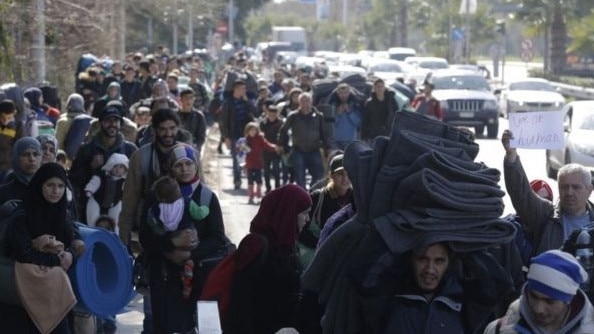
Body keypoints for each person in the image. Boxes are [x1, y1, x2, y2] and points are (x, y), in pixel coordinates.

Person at [140, 144, 231, 333]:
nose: (184, 169)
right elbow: (145, 237)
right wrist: (172, 245)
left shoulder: (206, 197)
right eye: (178, 165)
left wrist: (189, 253)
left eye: (189, 163)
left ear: (196, 165)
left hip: (197, 278)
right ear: (170, 168)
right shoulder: (156, 195)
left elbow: (218, 238)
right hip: (163, 276)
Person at [0, 162, 85, 334]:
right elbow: (22, 253)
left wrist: (70, 255)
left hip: (54, 295)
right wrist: (56, 260)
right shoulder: (22, 215)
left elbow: (76, 242)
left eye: (61, 186)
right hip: (22, 296)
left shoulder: (63, 215)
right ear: (40, 185)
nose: (56, 191)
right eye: (50, 185)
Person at [223, 184, 312, 334]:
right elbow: (241, 302)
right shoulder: (256, 245)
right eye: (304, 213)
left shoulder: (289, 245)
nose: (307, 219)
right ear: (288, 213)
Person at [502, 129, 594, 256]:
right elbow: (521, 194)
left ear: (589, 190)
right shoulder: (546, 215)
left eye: (576, 187)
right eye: (564, 187)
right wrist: (511, 156)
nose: (569, 192)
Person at [484, 250, 594, 333]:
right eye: (533, 296)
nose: (538, 309)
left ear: (568, 300)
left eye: (549, 301)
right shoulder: (501, 328)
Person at [69, 102, 137, 223]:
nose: (112, 125)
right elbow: (73, 179)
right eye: (108, 121)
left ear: (120, 124)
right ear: (101, 123)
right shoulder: (87, 149)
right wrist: (90, 168)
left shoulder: (129, 150)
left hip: (118, 208)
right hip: (91, 206)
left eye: (115, 121)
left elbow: (136, 180)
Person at [298, 154, 354, 266]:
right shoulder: (317, 197)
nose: (345, 178)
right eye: (340, 174)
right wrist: (323, 244)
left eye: (349, 174)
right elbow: (301, 229)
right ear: (331, 175)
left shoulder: (357, 199)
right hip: (316, 255)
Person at [278, 92, 331, 189]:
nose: (305, 103)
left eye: (307, 101)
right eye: (303, 101)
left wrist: (328, 147)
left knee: (318, 175)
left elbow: (324, 133)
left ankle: (312, 193)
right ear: (299, 102)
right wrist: (281, 144)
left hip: (314, 149)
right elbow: (283, 130)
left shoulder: (318, 116)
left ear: (311, 102)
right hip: (298, 150)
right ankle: (302, 198)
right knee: (300, 177)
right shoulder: (293, 116)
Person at [220, 80, 257, 189]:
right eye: (242, 89)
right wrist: (225, 137)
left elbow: (255, 112)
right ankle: (237, 180)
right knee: (237, 159)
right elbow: (224, 121)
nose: (244, 91)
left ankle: (249, 180)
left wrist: (247, 101)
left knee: (247, 158)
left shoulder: (246, 101)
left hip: (246, 135)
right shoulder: (228, 102)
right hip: (234, 135)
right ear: (236, 89)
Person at [84, 152, 128, 229]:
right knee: (92, 215)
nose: (118, 169)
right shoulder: (101, 175)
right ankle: (92, 228)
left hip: (115, 202)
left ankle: (115, 233)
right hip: (97, 199)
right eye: (115, 166)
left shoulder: (124, 181)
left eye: (121, 167)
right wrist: (89, 190)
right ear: (110, 165)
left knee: (116, 218)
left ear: (125, 169)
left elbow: (127, 191)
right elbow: (94, 182)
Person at [0, 137, 41, 204]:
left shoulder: (46, 189)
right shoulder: (4, 192)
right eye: (26, 154)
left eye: (35, 154)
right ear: (16, 158)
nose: (32, 159)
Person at [243, 122, 277, 204]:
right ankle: (251, 196)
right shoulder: (245, 140)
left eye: (254, 130)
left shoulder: (260, 138)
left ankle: (258, 194)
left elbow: (266, 145)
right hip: (249, 163)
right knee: (250, 180)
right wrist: (240, 148)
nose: (253, 132)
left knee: (259, 180)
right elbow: (240, 150)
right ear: (247, 131)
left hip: (258, 163)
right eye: (251, 130)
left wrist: (274, 147)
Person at [361, 78, 398, 144]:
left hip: (388, 134)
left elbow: (397, 115)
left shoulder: (391, 100)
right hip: (373, 135)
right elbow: (365, 120)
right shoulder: (369, 103)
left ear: (384, 87)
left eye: (381, 86)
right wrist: (363, 136)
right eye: (378, 86)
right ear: (374, 88)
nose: (380, 89)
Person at [327, 83, 362, 150]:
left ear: (349, 92)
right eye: (341, 93)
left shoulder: (356, 104)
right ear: (337, 93)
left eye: (345, 92)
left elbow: (358, 122)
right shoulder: (332, 105)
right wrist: (338, 114)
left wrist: (349, 112)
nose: (343, 95)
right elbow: (330, 125)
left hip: (350, 141)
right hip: (335, 142)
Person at [259, 100, 284, 194]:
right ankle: (268, 187)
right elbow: (261, 136)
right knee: (266, 171)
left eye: (274, 114)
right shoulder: (263, 123)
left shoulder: (281, 123)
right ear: (267, 113)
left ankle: (277, 187)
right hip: (265, 150)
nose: (272, 116)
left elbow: (283, 136)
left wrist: (280, 146)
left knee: (277, 169)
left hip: (276, 150)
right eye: (270, 113)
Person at [0, 99, 24, 183]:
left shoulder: (18, 125)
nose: (5, 121)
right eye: (2, 117)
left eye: (9, 118)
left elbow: (19, 146)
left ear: (14, 114)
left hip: (8, 166)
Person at [178, 87, 207, 155]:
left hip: (193, 150)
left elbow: (201, 137)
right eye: (186, 98)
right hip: (177, 149)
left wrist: (195, 146)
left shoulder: (199, 116)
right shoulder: (174, 115)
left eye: (191, 98)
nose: (188, 101)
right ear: (181, 100)